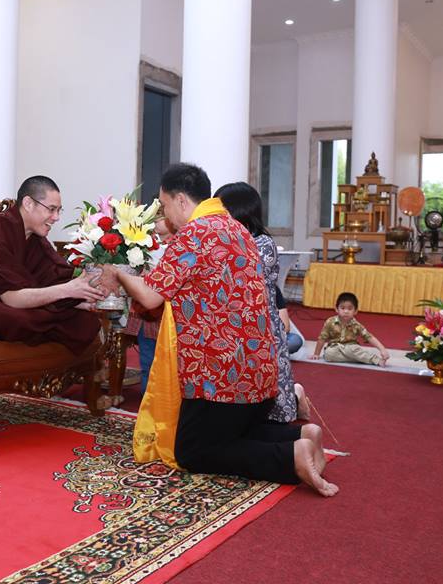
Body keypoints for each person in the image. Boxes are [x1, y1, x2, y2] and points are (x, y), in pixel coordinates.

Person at [111, 164, 337, 497]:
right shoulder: (236, 228)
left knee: (192, 450)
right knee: (228, 436)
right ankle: (299, 436)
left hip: (218, 374)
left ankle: (290, 457)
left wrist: (118, 273)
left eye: (164, 205)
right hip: (259, 372)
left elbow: (149, 296)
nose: (165, 214)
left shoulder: (194, 233)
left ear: (181, 200)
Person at [0, 176, 106, 355]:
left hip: (17, 299)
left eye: (59, 210)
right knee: (19, 320)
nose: (56, 218)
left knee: (85, 320)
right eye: (51, 209)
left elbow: (54, 277)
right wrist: (68, 292)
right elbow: (13, 299)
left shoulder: (35, 237)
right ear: (28, 203)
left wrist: (77, 298)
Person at [214, 181, 302, 422]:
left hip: (261, 328)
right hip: (235, 327)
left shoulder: (263, 244)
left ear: (237, 211)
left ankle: (295, 405)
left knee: (268, 396)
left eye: (220, 210)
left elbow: (241, 282)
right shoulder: (227, 241)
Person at [122, 216, 173, 392]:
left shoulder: (178, 245)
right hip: (145, 314)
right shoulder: (143, 244)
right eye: (153, 220)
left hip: (166, 316)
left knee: (168, 368)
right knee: (147, 363)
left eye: (160, 219)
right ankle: (146, 402)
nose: (155, 224)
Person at [310, 292, 390, 366]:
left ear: (355, 311)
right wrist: (316, 354)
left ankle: (376, 360)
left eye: (350, 309)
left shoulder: (356, 325)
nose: (346, 311)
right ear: (337, 309)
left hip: (351, 347)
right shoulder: (330, 322)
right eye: (342, 308)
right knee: (329, 354)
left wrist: (382, 349)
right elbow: (322, 338)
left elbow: (369, 337)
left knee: (353, 350)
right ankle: (356, 358)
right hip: (336, 348)